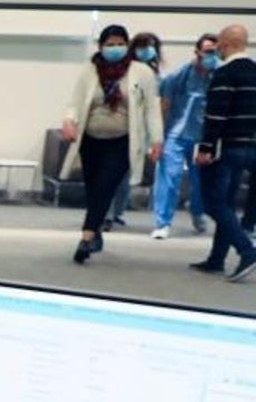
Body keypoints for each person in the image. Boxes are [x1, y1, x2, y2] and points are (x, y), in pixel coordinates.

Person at [61, 24, 164, 264]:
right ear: (101, 46)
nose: (115, 48)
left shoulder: (141, 73)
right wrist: (69, 120)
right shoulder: (90, 71)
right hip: (91, 139)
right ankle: (96, 231)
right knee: (94, 187)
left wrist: (156, 139)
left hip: (122, 141)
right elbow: (75, 101)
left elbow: (151, 109)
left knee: (106, 185)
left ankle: (86, 238)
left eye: (120, 43)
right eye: (110, 44)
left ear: (127, 46)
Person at [192, 24, 256, 281]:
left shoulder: (225, 74)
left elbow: (216, 115)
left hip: (227, 148)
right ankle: (216, 259)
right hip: (252, 148)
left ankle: (247, 250)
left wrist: (206, 148)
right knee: (228, 204)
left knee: (214, 203)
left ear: (225, 44)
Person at [151, 33, 219, 239]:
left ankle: (197, 212)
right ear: (197, 52)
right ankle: (163, 222)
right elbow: (164, 107)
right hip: (176, 135)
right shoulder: (178, 77)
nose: (212, 56)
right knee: (170, 177)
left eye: (215, 52)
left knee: (200, 182)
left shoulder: (220, 76)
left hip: (203, 137)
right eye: (208, 52)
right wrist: (158, 138)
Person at [105, 31, 165, 229]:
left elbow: (154, 108)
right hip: (120, 129)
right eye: (142, 46)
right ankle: (107, 213)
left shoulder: (157, 76)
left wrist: (156, 138)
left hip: (142, 133)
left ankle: (118, 211)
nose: (146, 51)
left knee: (126, 176)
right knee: (113, 175)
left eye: (150, 47)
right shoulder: (124, 70)